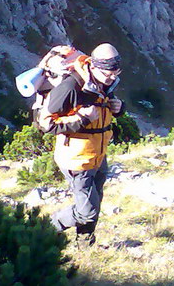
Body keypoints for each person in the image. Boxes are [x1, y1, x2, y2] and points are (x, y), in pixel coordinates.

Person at [43, 43, 124, 247]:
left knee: (94, 203)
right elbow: (45, 124)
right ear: (95, 66)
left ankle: (85, 246)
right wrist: (81, 119)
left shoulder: (103, 82)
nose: (112, 78)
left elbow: (106, 106)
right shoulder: (70, 87)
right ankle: (44, 228)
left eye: (116, 73)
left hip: (98, 155)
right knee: (87, 211)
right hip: (76, 159)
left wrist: (120, 108)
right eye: (109, 74)